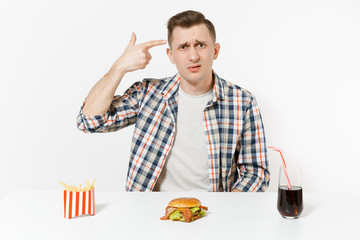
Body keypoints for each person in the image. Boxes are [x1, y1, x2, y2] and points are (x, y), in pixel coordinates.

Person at [77, 10, 270, 192]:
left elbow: (256, 173)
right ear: (171, 55)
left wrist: (225, 209)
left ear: (216, 51)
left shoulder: (242, 102)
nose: (193, 56)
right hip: (151, 215)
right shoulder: (147, 94)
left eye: (201, 45)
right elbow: (90, 122)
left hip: (214, 216)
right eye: (183, 47)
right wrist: (119, 67)